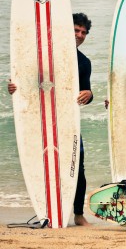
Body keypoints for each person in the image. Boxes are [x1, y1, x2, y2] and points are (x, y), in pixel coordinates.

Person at [8, 13, 94, 226]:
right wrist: (14, 88)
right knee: (43, 163)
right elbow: (27, 81)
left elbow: (85, 92)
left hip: (67, 119)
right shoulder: (45, 55)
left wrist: (89, 95)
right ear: (66, 29)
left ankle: (77, 213)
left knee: (77, 166)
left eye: (83, 32)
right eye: (76, 30)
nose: (80, 35)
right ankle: (46, 209)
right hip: (43, 117)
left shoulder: (84, 62)